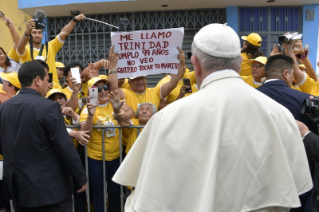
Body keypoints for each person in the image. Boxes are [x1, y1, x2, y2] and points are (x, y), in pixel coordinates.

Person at [112, 23, 312, 212]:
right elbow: (296, 189)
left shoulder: (167, 119)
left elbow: (145, 203)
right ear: (240, 61)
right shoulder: (280, 115)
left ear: (196, 64)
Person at [0, 60, 87, 211]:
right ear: (37, 80)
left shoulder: (3, 107)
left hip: (20, 188)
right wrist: (80, 176)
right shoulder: (49, 107)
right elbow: (64, 145)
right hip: (50, 188)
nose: (49, 84)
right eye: (47, 80)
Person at [257, 54, 318, 211]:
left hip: (259, 176)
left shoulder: (250, 98)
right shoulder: (306, 101)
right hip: (298, 179)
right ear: (286, 74)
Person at [79, 77, 134, 212]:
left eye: (105, 87)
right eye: (97, 89)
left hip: (115, 158)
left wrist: (117, 111)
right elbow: (85, 133)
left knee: (115, 194)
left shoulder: (114, 102)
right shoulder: (87, 109)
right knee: (99, 195)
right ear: (90, 92)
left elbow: (131, 112)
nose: (103, 91)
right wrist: (91, 116)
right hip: (96, 160)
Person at [107, 46, 186, 113]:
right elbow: (113, 91)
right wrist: (113, 65)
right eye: (136, 79)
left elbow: (173, 82)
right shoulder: (127, 93)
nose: (140, 81)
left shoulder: (155, 92)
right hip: (133, 132)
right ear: (129, 83)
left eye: (142, 78)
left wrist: (181, 63)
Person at [16, 14, 86, 84]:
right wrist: (27, 32)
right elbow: (19, 48)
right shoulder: (27, 50)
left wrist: (74, 20)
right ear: (29, 36)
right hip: (36, 90)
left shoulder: (50, 46)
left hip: (53, 89)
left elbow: (64, 33)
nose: (37, 35)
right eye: (34, 33)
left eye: (39, 33)